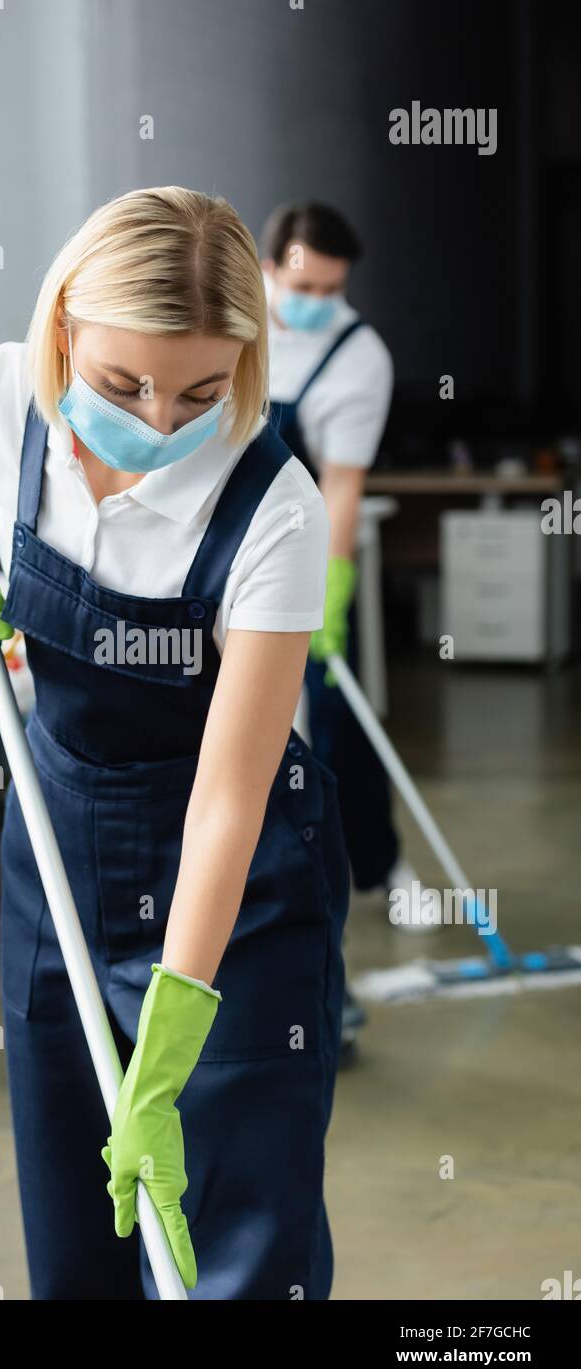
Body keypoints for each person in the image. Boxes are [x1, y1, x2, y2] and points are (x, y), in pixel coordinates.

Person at [0, 185, 350, 1302]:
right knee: (74, 1220)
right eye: (124, 384)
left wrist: (175, 1032)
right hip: (59, 844)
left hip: (238, 886)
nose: (162, 421)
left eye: (202, 391)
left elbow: (229, 797)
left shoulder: (273, 508)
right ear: (65, 324)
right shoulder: (4, 402)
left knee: (233, 1236)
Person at [261, 202, 431, 1057]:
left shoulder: (356, 354)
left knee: (329, 728)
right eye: (301, 286)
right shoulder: (234, 315)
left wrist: (328, 588)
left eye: (332, 288)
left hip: (308, 552)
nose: (316, 301)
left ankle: (379, 867)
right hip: (219, 567)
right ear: (268, 270)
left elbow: (342, 480)